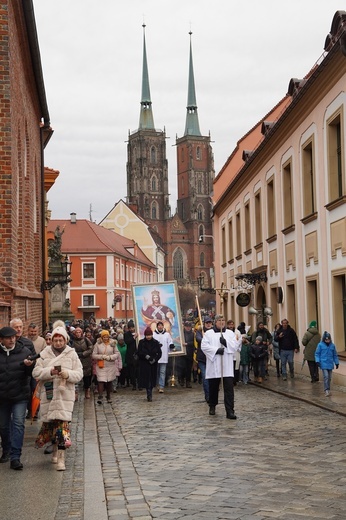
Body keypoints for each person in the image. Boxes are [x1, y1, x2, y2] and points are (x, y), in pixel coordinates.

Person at [32, 326, 83, 471]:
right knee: (51, 425)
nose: (58, 342)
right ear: (52, 340)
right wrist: (49, 371)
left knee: (62, 427)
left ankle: (61, 457)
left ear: (65, 340)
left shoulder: (72, 354)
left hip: (64, 395)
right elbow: (36, 373)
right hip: (48, 394)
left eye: (61, 340)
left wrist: (67, 374)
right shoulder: (44, 354)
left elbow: (79, 373)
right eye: (56, 340)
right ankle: (54, 450)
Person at [0, 326, 36, 470]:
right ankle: (6, 449)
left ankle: (15, 456)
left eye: (14, 337)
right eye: (8, 337)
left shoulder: (24, 352)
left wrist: (29, 366)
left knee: (18, 424)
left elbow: (31, 374)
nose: (12, 339)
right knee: (3, 426)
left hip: (20, 395)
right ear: (1, 339)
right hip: (2, 397)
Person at [201, 314, 242, 419]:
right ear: (215, 322)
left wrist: (226, 343)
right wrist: (216, 350)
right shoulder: (209, 334)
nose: (222, 322)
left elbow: (235, 345)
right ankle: (212, 405)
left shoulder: (230, 333)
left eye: (223, 320)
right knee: (213, 388)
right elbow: (204, 346)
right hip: (214, 364)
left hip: (227, 366)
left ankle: (230, 411)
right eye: (219, 320)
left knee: (229, 389)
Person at [92, 330, 122, 404]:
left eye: (106, 337)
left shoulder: (113, 343)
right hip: (101, 365)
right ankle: (100, 396)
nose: (105, 338)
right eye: (104, 337)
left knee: (109, 381)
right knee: (101, 380)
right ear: (101, 337)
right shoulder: (97, 344)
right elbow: (94, 355)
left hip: (110, 365)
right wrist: (101, 356)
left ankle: (108, 396)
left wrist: (110, 357)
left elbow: (117, 353)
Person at [137, 327, 162, 401]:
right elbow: (139, 352)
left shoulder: (155, 342)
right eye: (147, 335)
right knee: (147, 379)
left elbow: (159, 353)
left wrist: (155, 359)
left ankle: (150, 391)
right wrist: (146, 356)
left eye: (150, 335)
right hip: (144, 363)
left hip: (153, 364)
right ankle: (149, 393)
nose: (148, 337)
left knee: (152, 379)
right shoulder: (141, 342)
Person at [71, 327, 94, 398]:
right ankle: (75, 393)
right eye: (76, 332)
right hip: (76, 360)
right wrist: (76, 354)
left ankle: (87, 390)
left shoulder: (86, 340)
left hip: (86, 361)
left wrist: (84, 354)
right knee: (76, 378)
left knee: (86, 377)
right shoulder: (72, 341)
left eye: (79, 332)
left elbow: (91, 348)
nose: (78, 334)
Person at [315, 331, 339, 397]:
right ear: (324, 339)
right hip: (323, 363)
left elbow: (335, 355)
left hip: (330, 363)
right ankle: (326, 390)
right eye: (326, 340)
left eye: (328, 339)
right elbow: (317, 354)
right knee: (326, 376)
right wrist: (317, 361)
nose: (327, 341)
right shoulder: (320, 345)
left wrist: (336, 362)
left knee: (330, 377)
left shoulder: (332, 346)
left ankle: (328, 388)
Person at [195, 316, 213, 402]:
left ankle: (212, 394)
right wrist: (205, 338)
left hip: (211, 358)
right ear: (204, 324)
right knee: (205, 377)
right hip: (202, 358)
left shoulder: (214, 332)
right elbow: (198, 339)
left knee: (212, 378)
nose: (209, 324)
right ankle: (208, 395)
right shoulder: (199, 332)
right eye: (207, 323)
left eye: (210, 323)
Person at [153, 321, 173, 393]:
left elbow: (170, 341)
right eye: (159, 325)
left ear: (163, 326)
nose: (160, 327)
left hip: (164, 355)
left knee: (162, 372)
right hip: (156, 356)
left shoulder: (167, 334)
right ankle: (157, 384)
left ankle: (161, 386)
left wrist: (171, 345)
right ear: (157, 326)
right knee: (156, 371)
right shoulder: (154, 334)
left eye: (161, 325)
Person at [124, 320, 140, 390]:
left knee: (138, 371)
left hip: (138, 354)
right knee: (132, 371)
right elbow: (127, 342)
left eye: (132, 327)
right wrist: (134, 338)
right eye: (130, 328)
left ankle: (140, 384)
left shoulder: (138, 332)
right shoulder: (126, 334)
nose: (131, 329)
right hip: (130, 355)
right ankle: (133, 384)